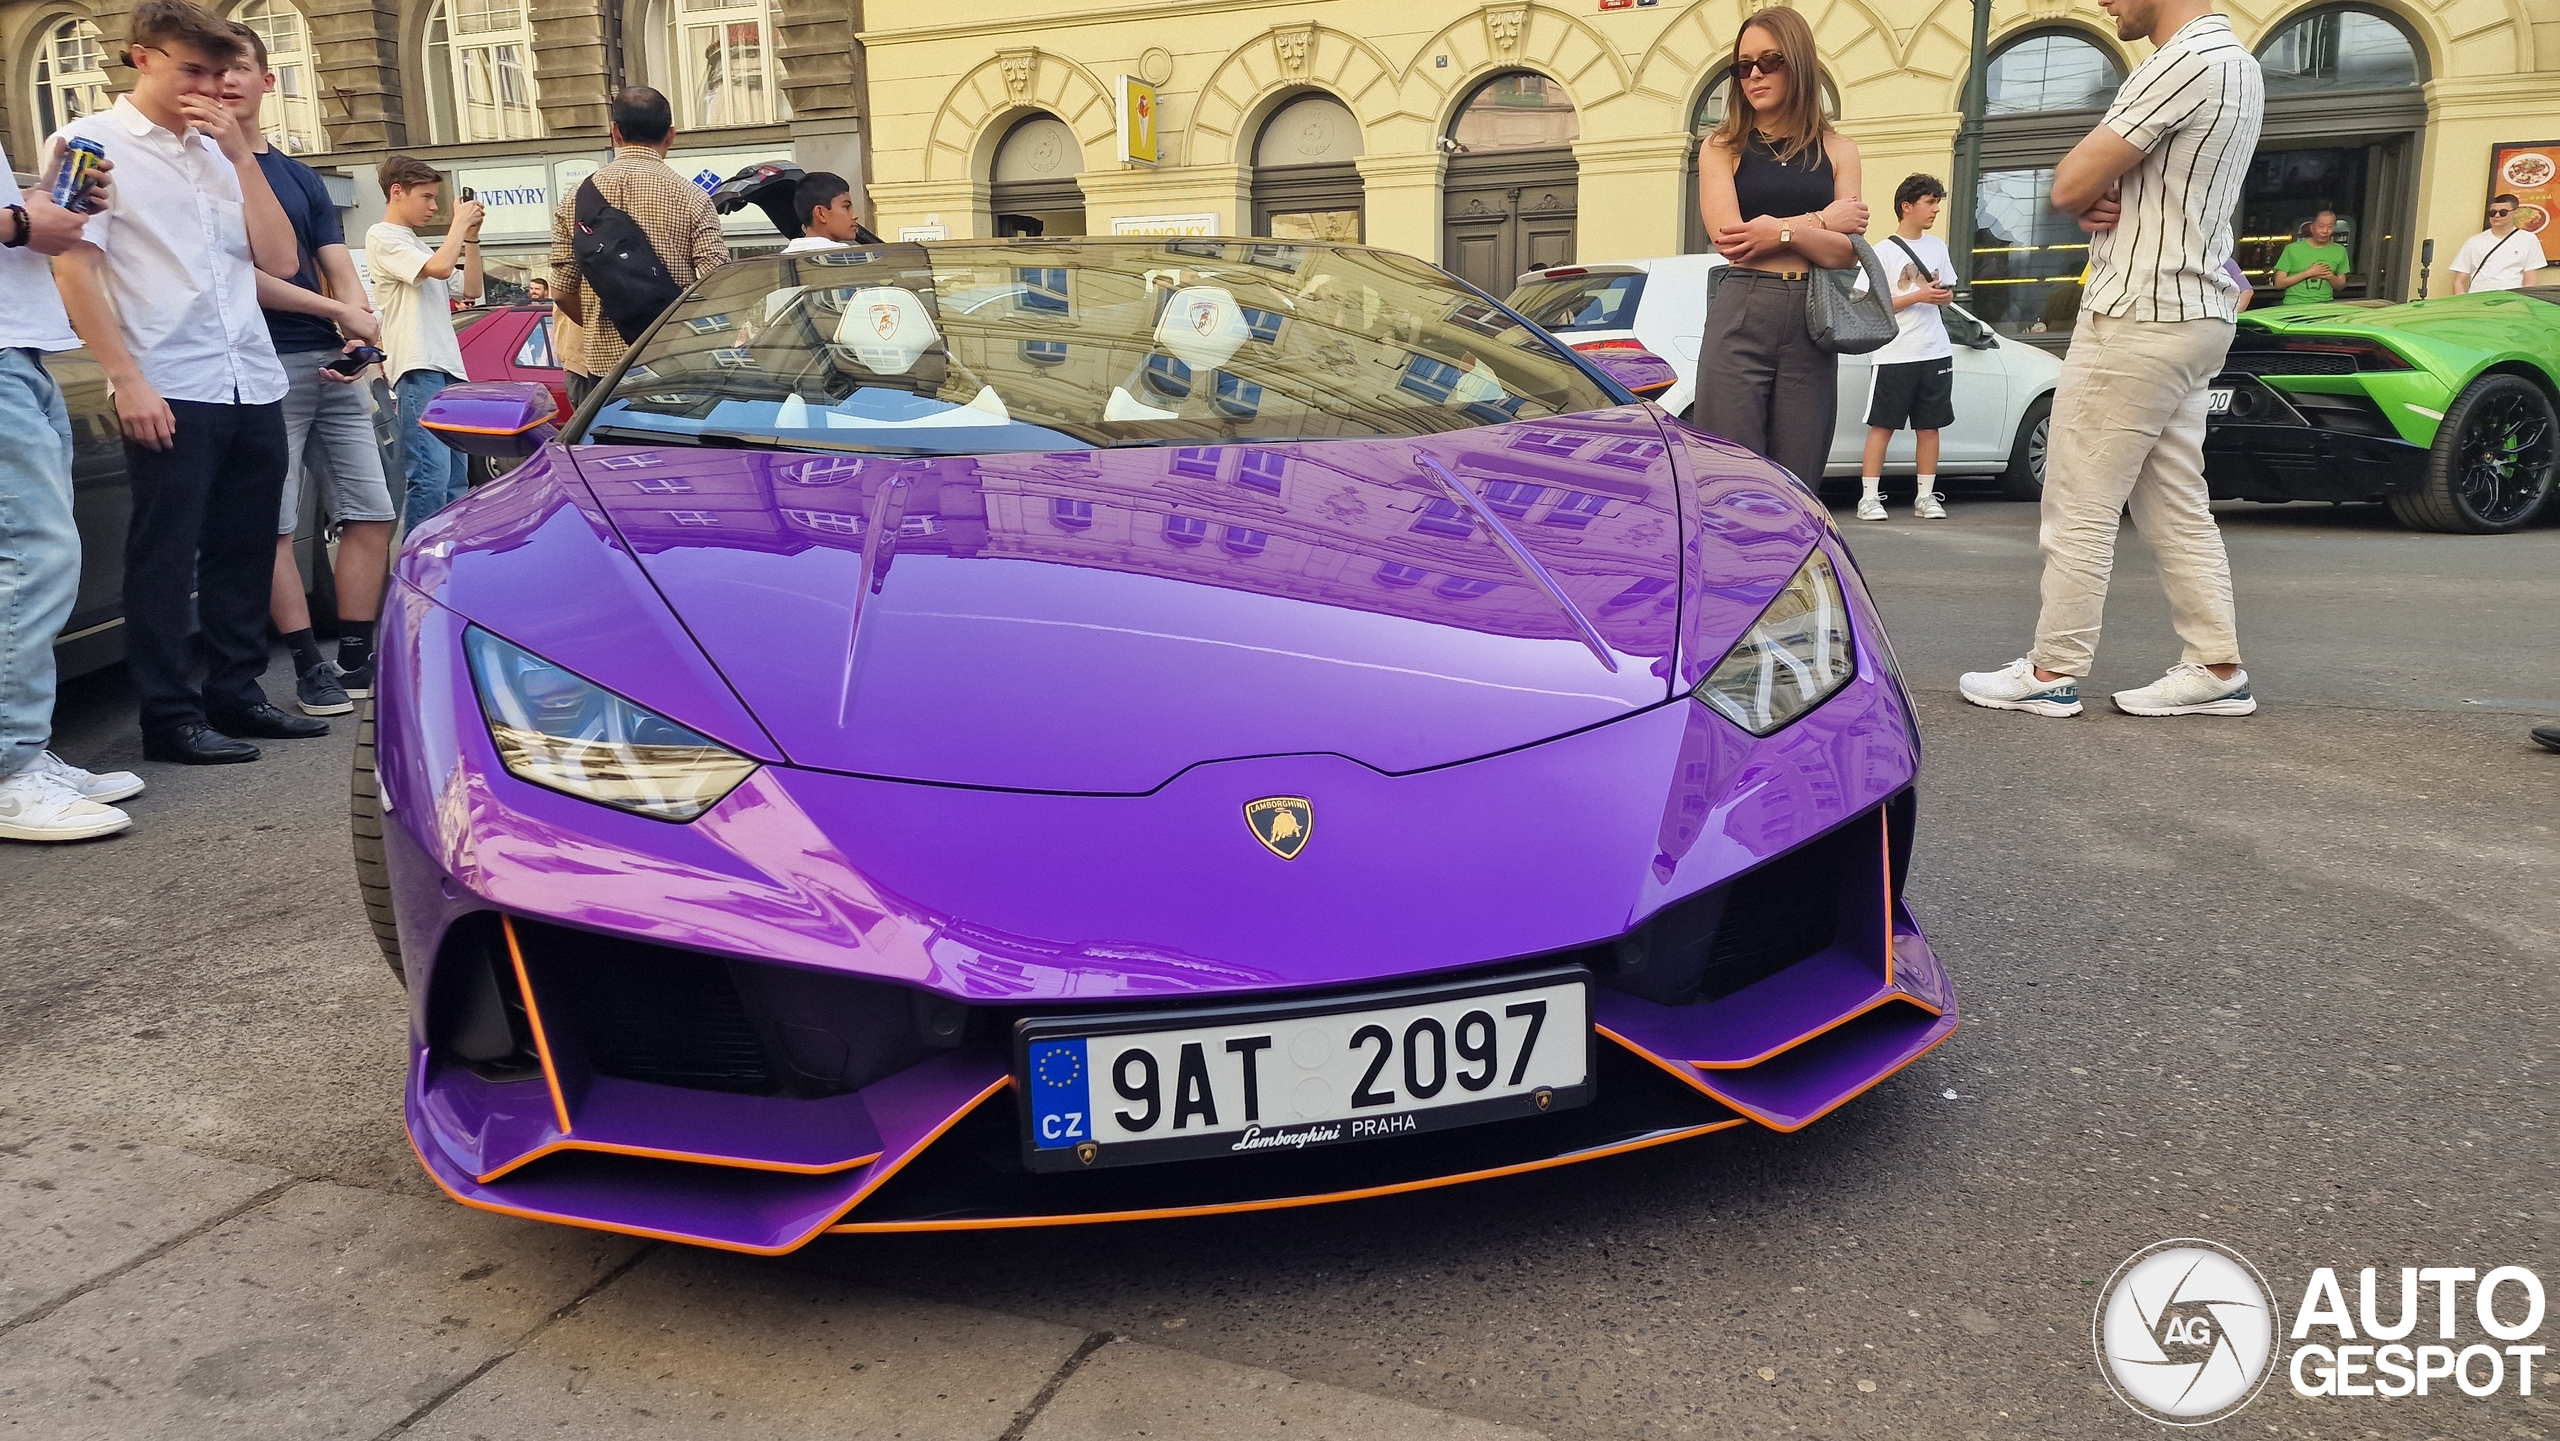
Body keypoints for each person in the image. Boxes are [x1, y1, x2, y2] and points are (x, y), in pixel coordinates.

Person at [1959, 0, 2264, 720]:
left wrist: (2091, 189)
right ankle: (2216, 664)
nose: (2103, 2)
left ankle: (2053, 669)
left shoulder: (2180, 60)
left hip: (2138, 312)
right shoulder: (2242, 65)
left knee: (2078, 501)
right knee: (2176, 503)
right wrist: (2104, 190)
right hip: (2197, 309)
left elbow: (2067, 183)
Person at [53, 0, 326, 766]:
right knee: (165, 556)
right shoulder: (87, 143)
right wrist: (124, 377)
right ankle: (169, 717)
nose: (208, 85)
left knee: (244, 547)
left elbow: (277, 262)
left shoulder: (217, 151)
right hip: (168, 378)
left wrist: (241, 155)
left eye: (220, 71)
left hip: (249, 374)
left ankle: (236, 693)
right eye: (191, 69)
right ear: (141, 58)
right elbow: (73, 262)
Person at [223, 30, 394, 718]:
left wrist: (360, 336)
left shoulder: (299, 175)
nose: (226, 80)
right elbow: (241, 279)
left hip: (332, 363)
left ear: (269, 81)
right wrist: (340, 311)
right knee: (276, 525)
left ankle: (355, 655)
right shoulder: (203, 167)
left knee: (373, 511)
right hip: (259, 360)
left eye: (240, 67)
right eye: (214, 68)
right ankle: (305, 664)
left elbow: (339, 266)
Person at [0, 139, 145, 839]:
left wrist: (42, 202)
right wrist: (23, 224)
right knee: (34, 555)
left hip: (22, 346)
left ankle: (24, 752)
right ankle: (8, 769)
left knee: (34, 556)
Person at [1691, 5, 1867, 492]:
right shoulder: (1722, 146)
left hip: (1813, 320)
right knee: (1732, 474)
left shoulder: (1839, 149)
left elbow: (1844, 254)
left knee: (1799, 481)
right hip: (1742, 310)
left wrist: (1778, 232)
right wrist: (1818, 223)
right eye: (1742, 65)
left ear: (1799, 64)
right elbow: (1733, 240)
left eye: (1768, 61)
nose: (1753, 75)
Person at [549, 87, 729, 407]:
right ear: (671, 135)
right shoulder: (693, 198)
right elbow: (716, 282)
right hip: (675, 362)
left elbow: (562, 292)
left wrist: (598, 326)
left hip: (605, 374)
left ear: (615, 132)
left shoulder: (576, 198)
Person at [367, 155, 483, 532]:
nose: (434, 206)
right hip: (418, 365)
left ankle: (447, 560)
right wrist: (458, 224)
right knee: (430, 476)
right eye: (427, 197)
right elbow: (439, 269)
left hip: (446, 366)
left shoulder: (414, 243)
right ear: (396, 192)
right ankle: (418, 568)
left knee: (454, 480)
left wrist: (471, 239)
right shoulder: (381, 235)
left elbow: (471, 289)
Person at [1857, 173, 1957, 522]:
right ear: (1907, 206)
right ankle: (1869, 497)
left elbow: (1948, 296)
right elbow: (1867, 303)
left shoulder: (1938, 248)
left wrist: (1943, 296)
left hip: (1935, 350)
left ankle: (1926, 496)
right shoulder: (1881, 252)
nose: (1936, 210)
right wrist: (1918, 295)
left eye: (1937, 203)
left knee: (1930, 426)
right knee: (1882, 425)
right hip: (1895, 352)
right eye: (1930, 203)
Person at [2450, 195, 2546, 294]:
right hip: (2478, 299)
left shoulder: (2528, 239)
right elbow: (2459, 281)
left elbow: (2530, 280)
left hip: (2511, 300)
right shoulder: (2474, 241)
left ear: (2515, 213)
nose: (2497, 216)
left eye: (2503, 212)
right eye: (2492, 213)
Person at [2271, 210, 2352, 306]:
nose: (2325, 231)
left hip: (2325, 306)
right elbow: (2279, 283)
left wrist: (2330, 276)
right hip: (2293, 305)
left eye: (2330, 227)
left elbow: (2340, 286)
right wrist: (2309, 273)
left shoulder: (2340, 250)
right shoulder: (2292, 249)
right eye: (2321, 226)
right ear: (2312, 227)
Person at [782, 172, 864, 253]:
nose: (855, 216)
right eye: (846, 207)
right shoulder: (843, 255)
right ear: (821, 213)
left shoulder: (784, 256)